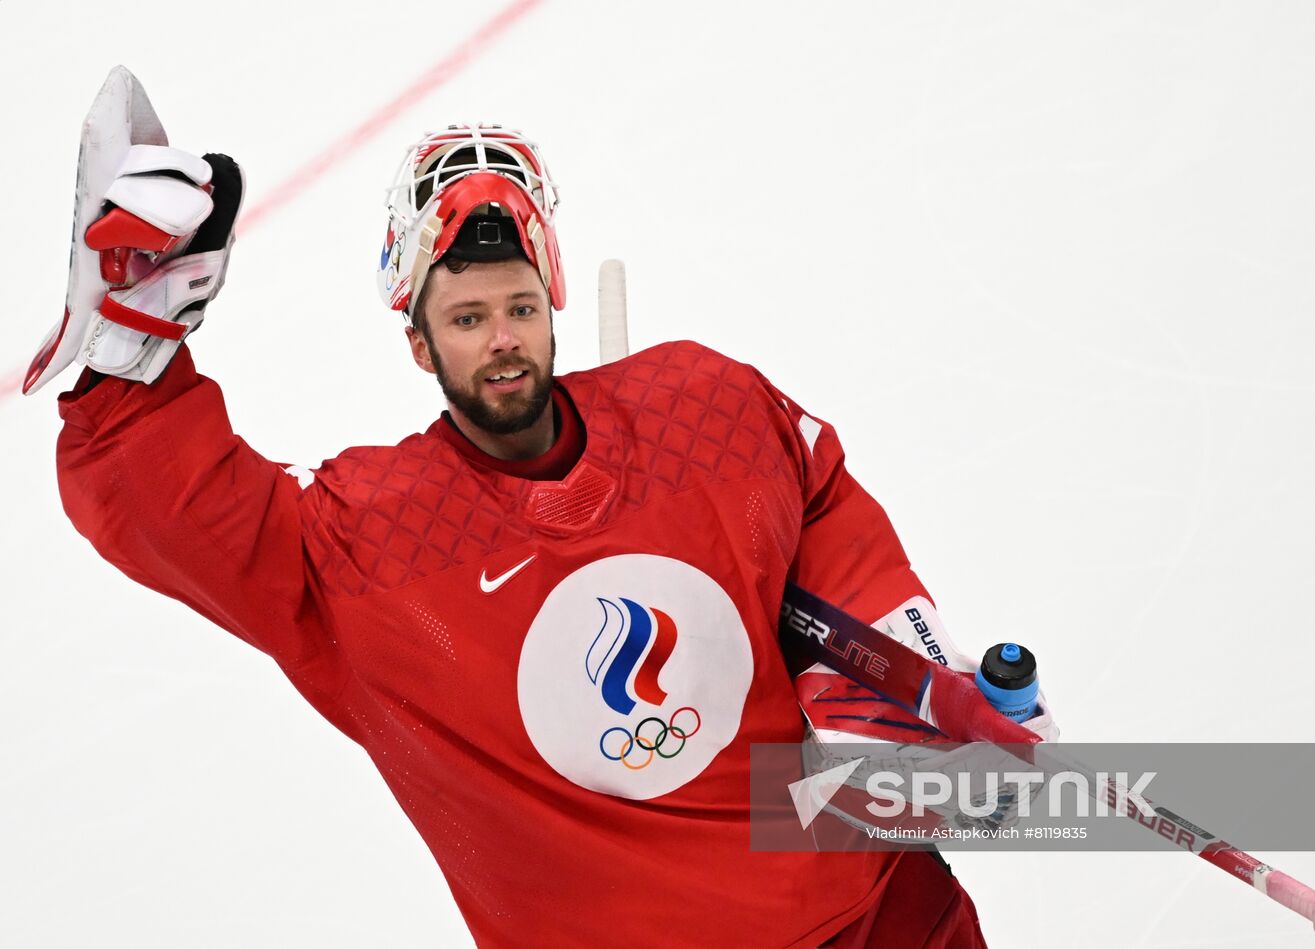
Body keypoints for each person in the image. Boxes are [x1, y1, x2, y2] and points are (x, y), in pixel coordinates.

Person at [37, 121, 1056, 947]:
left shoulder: (702, 409)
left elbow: (818, 499)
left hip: (880, 922)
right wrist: (130, 358)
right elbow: (181, 512)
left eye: (519, 307)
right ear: (416, 336)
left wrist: (902, 659)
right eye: (469, 316)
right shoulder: (367, 547)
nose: (502, 340)